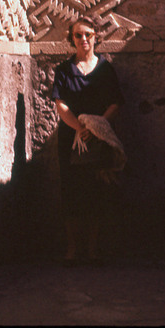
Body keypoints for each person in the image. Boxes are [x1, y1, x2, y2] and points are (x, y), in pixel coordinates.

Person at [51, 15, 125, 265]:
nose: (83, 39)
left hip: (98, 139)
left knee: (97, 192)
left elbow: (115, 103)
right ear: (71, 39)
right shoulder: (63, 70)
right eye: (78, 35)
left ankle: (93, 249)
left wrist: (95, 128)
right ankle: (73, 249)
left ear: (96, 37)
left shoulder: (106, 70)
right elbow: (61, 105)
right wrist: (78, 127)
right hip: (71, 139)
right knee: (71, 192)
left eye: (88, 34)